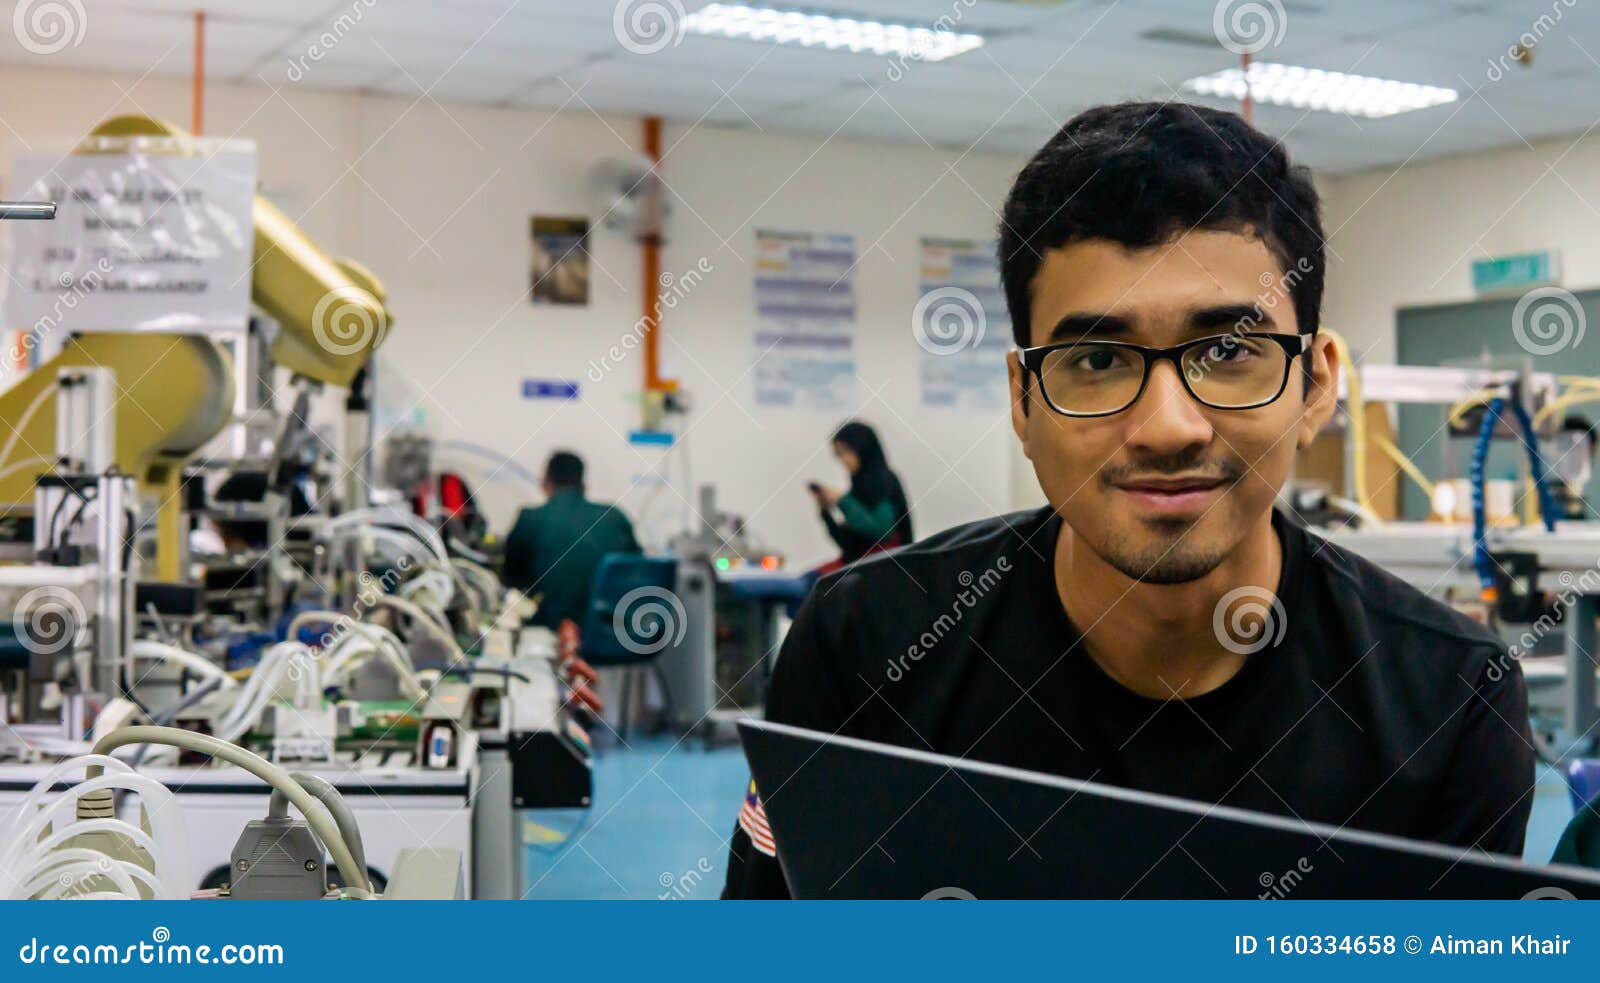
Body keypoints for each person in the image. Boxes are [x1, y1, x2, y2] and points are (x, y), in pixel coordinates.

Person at [723, 102, 1533, 898]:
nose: (1168, 428)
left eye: (1228, 351)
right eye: (1098, 360)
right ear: (1023, 400)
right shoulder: (864, 647)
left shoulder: (1448, 704)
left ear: (1316, 385)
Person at [501, 451, 640, 630]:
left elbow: (512, 582)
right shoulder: (614, 517)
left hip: (546, 629)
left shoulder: (529, 519)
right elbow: (638, 571)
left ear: (546, 483)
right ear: (583, 485)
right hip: (608, 630)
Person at [809, 422, 913, 575]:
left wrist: (843, 501)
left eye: (845, 451)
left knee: (801, 585)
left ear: (862, 447)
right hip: (859, 566)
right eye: (838, 454)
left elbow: (882, 531)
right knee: (802, 582)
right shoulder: (858, 487)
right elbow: (849, 545)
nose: (843, 460)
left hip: (885, 570)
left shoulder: (884, 482)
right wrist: (826, 512)